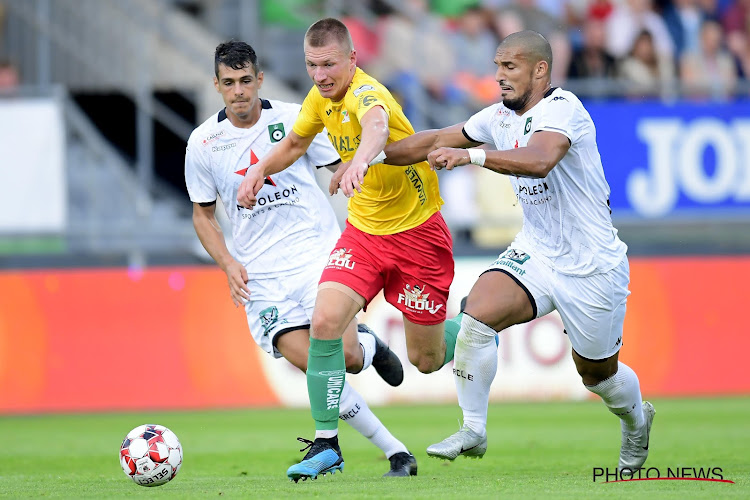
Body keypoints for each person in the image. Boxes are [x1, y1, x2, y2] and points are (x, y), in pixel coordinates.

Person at [375, 30, 655, 475]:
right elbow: (433, 139)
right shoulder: (496, 116)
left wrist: (474, 158)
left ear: (540, 70)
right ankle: (473, 428)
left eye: (510, 67)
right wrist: (368, 156)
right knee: (478, 312)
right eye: (497, 67)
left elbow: (540, 158)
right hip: (537, 252)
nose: (500, 77)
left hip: (591, 265)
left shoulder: (565, 110)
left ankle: (637, 420)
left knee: (596, 375)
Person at [236, 18, 462, 482]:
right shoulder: (320, 99)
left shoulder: (366, 93)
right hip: (363, 235)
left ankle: (475, 326)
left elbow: (376, 127)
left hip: (418, 235)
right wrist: (258, 171)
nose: (320, 75)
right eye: (311, 65)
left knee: (427, 360)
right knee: (323, 322)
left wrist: (358, 160)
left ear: (352, 60)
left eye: (329, 64)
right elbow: (297, 142)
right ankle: (326, 445)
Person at [185, 40, 416, 479]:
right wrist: (228, 264)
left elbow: (340, 167)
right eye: (229, 83)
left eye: (246, 81)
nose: (239, 92)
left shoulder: (295, 117)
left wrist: (366, 195)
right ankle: (394, 452)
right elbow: (203, 215)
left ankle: (365, 347)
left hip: (318, 257)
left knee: (344, 358)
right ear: (216, 85)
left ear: (260, 79)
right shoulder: (203, 143)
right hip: (261, 278)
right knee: (318, 367)